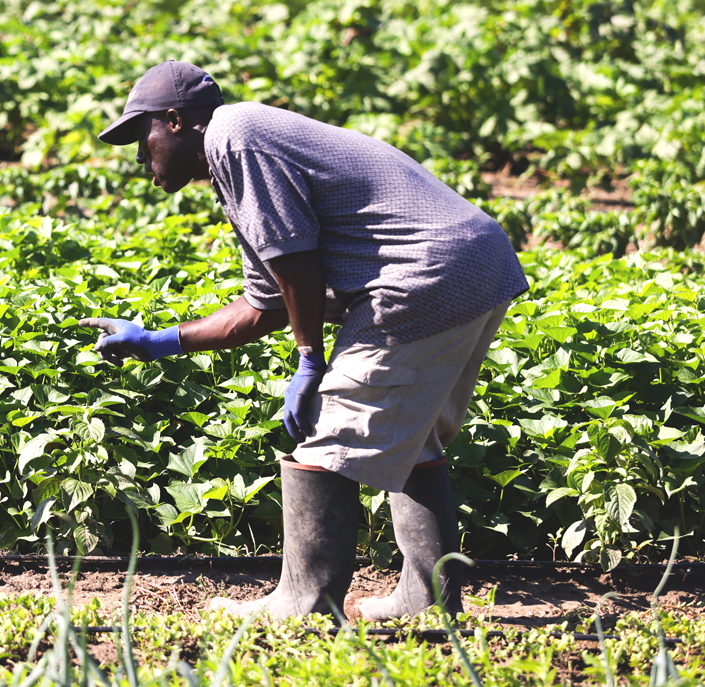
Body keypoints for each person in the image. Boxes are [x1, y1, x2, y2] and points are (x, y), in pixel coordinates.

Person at [82, 61, 527, 620]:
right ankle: (428, 601)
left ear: (174, 121)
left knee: (324, 435)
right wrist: (161, 341)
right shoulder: (246, 152)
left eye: (141, 137)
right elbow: (266, 302)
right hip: (475, 264)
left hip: (423, 277)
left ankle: (305, 602)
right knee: (414, 441)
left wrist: (311, 359)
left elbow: (296, 265)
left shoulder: (234, 135)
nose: (141, 158)